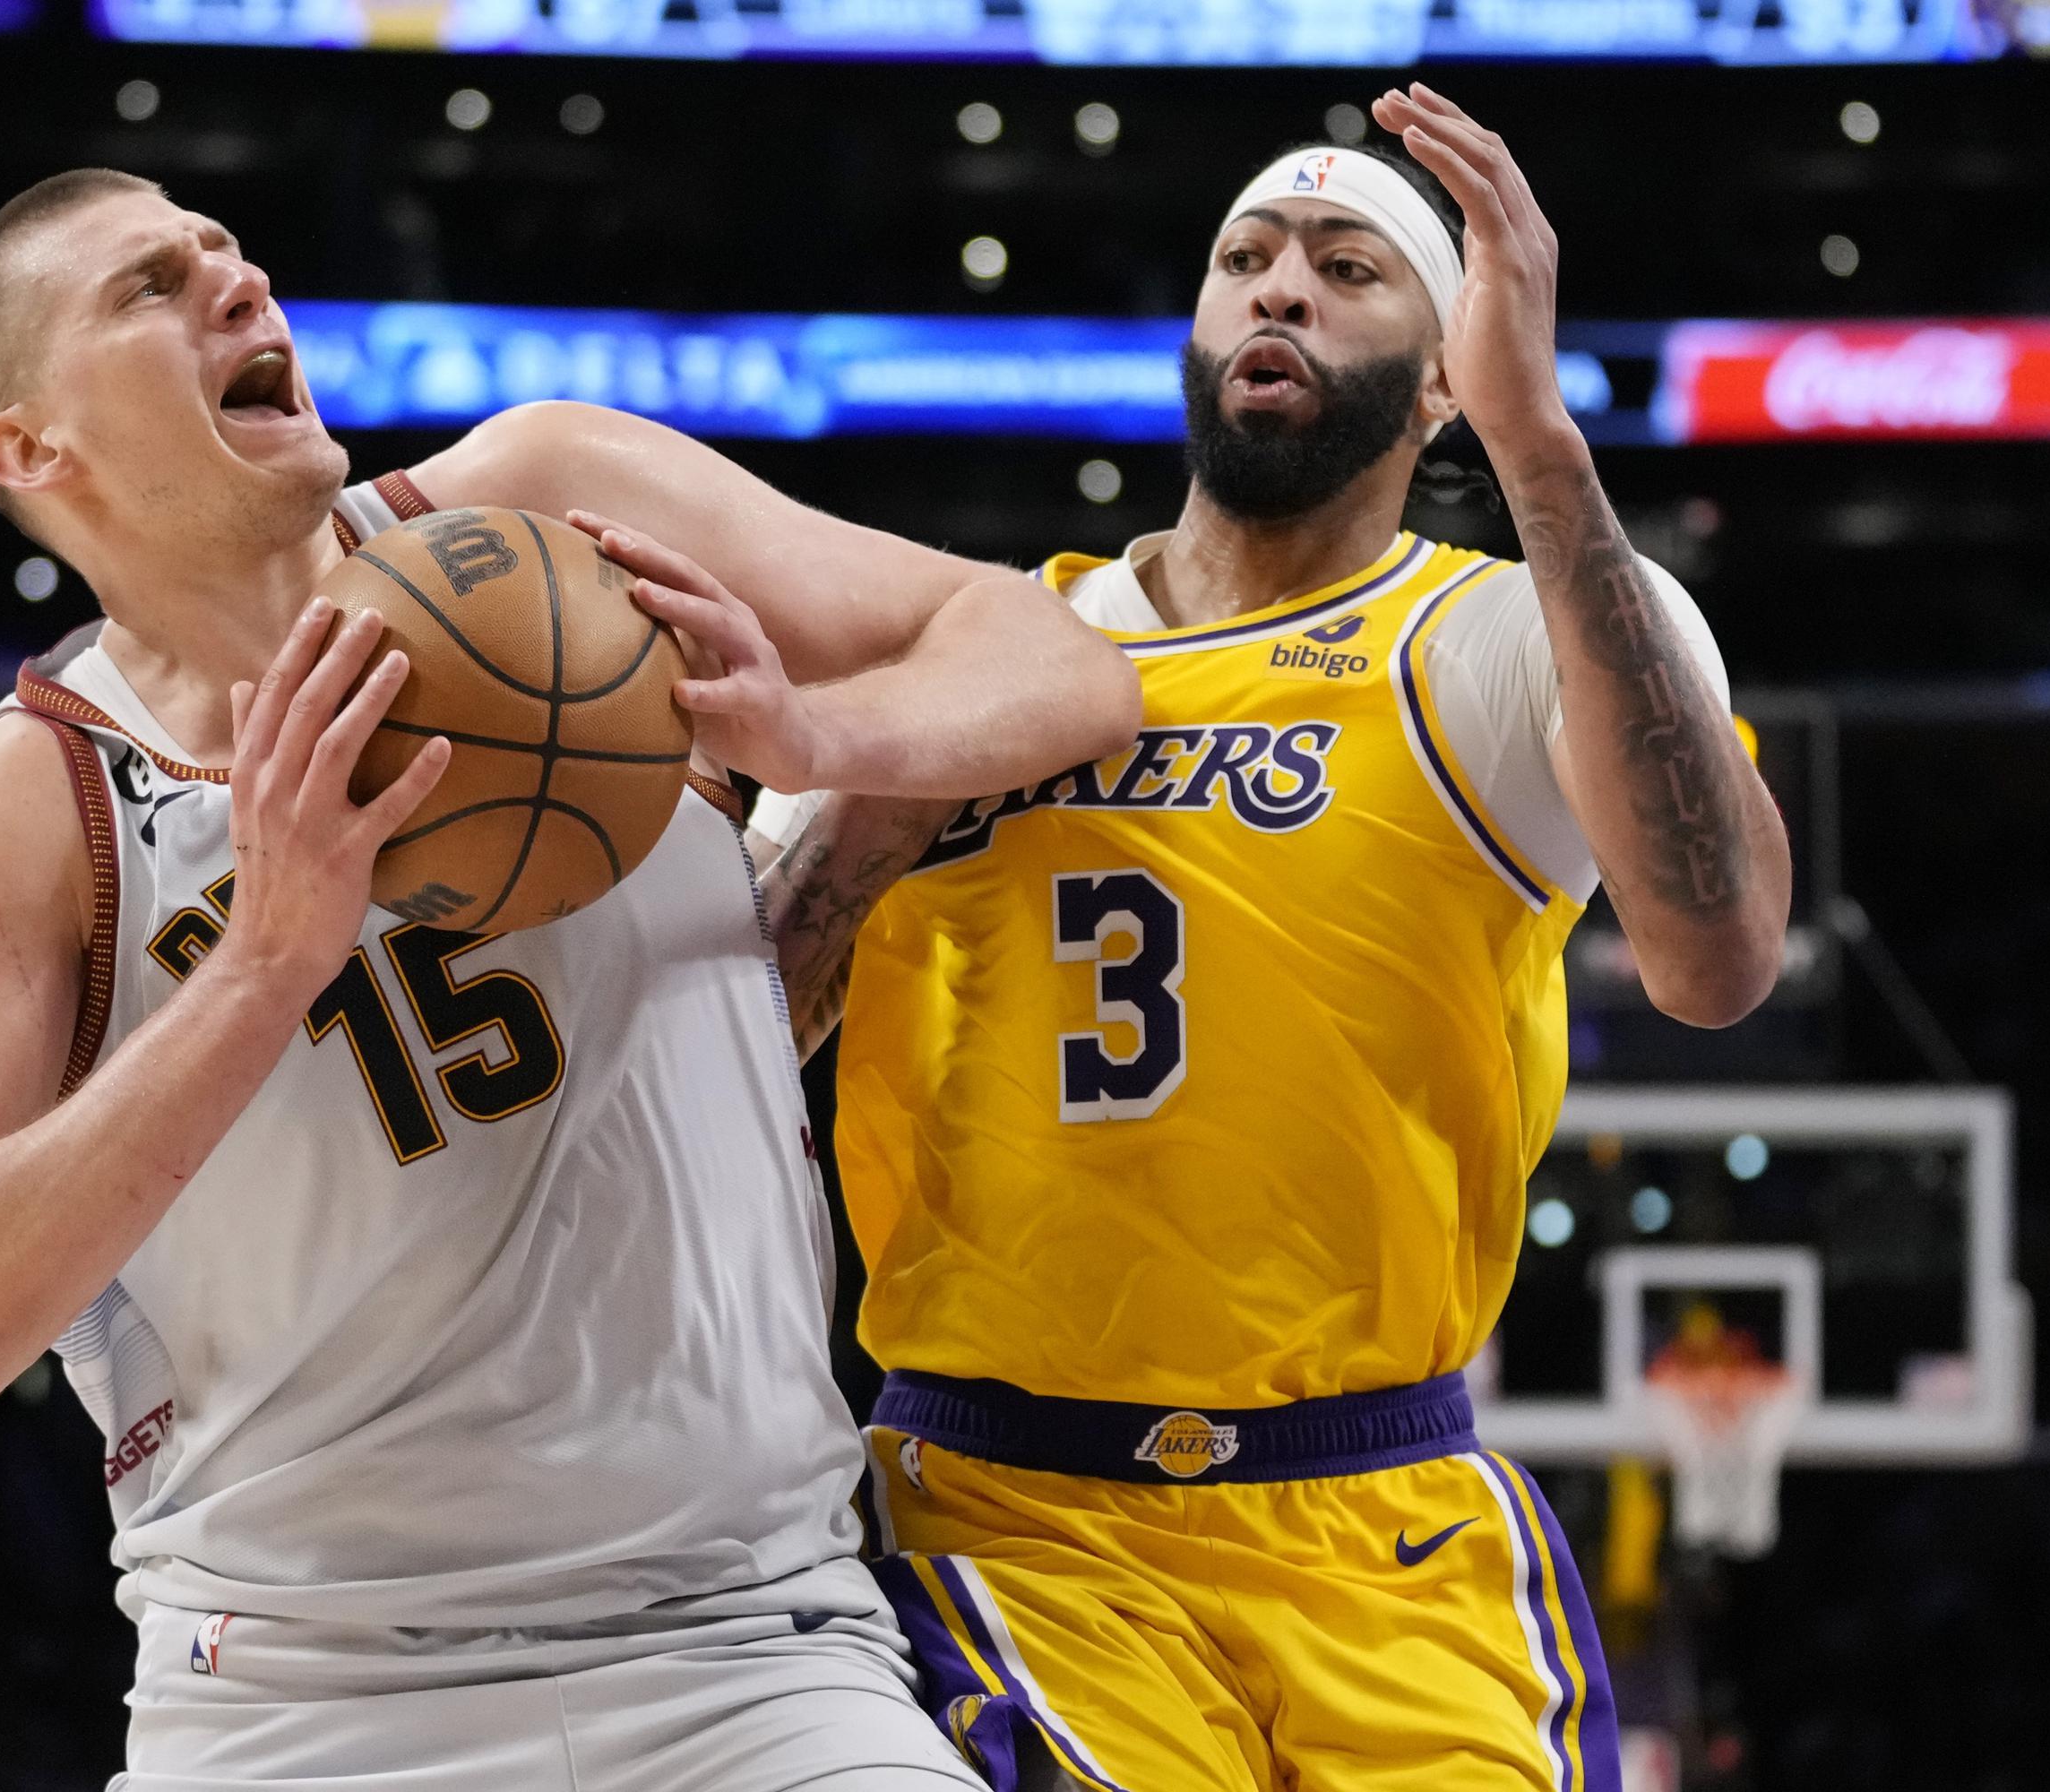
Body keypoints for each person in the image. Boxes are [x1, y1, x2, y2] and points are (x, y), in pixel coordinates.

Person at [0, 168, 1141, 1791]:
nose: (241, 288)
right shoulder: (29, 803)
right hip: (303, 1702)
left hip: (752, 1660)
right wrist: (265, 965)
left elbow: (1062, 665)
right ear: (32, 447)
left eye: (233, 257)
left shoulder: (551, 503)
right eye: (152, 288)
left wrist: (814, 735)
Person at [750, 89, 1792, 1791]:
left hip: (1381, 1511)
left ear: (1448, 373)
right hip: (1011, 1510)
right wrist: (866, 806)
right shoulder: (976, 653)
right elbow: (722, 1048)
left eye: (1348, 266)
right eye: (1245, 257)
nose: (1281, 289)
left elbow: (1720, 956)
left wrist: (1547, 454)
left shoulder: (1508, 633)